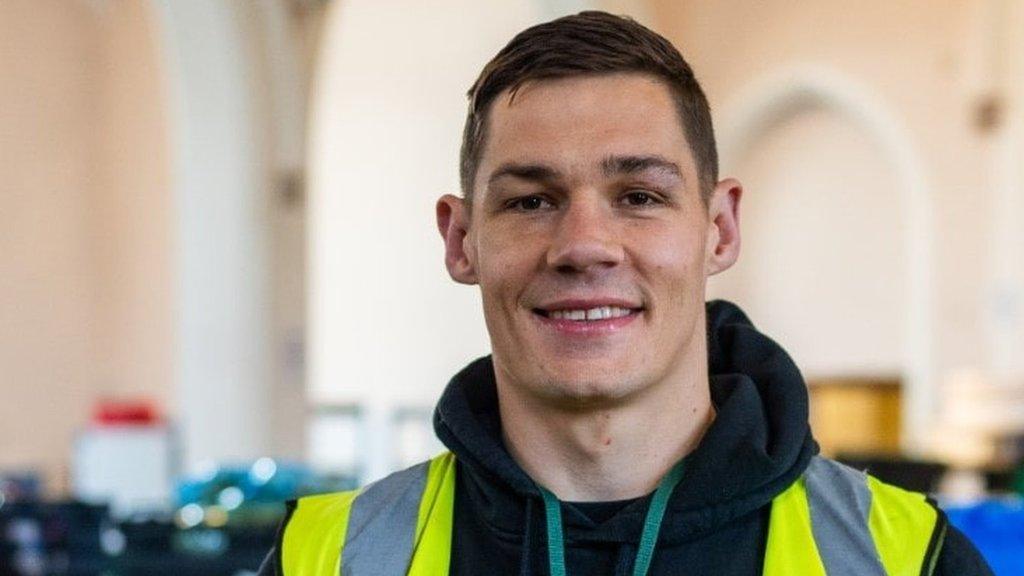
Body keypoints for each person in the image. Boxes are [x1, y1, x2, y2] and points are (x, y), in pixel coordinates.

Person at [259, 11, 993, 576]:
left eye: (639, 195)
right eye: (530, 201)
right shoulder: (324, 559)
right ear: (460, 240)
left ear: (719, 228)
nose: (584, 245)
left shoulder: (908, 560)